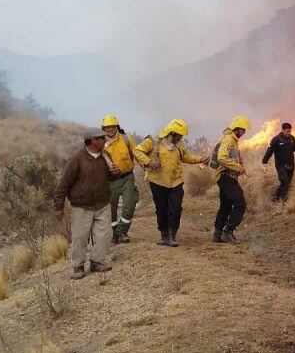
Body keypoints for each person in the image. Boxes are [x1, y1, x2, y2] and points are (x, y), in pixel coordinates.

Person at [53, 128, 117, 280]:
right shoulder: (77, 159)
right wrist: (58, 206)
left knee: (105, 235)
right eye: (102, 138)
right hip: (81, 206)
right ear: (93, 141)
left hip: (102, 204)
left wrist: (116, 173)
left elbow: (111, 177)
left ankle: (97, 262)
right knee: (80, 237)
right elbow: (64, 184)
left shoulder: (106, 156)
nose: (105, 140)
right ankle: (78, 266)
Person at [132, 119, 207, 247]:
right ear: (171, 133)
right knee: (161, 209)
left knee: (176, 209)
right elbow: (137, 151)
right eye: (178, 135)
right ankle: (164, 235)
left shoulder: (179, 145)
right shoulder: (153, 141)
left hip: (176, 182)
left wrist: (200, 159)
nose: (180, 138)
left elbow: (186, 157)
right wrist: (149, 161)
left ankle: (172, 235)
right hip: (158, 182)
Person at [100, 115, 140, 244]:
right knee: (110, 209)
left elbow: (137, 154)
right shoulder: (100, 144)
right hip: (110, 181)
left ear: (117, 126)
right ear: (103, 129)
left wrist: (148, 166)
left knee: (129, 205)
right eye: (107, 127)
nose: (110, 129)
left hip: (127, 177)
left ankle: (122, 232)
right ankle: (113, 235)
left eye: (112, 126)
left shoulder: (126, 139)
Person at [212, 116, 250, 244]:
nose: (244, 133)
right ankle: (227, 232)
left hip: (227, 177)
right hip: (226, 177)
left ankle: (217, 234)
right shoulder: (229, 140)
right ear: (237, 129)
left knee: (226, 206)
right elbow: (222, 158)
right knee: (240, 203)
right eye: (243, 130)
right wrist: (238, 167)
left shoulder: (233, 141)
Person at [260, 122, 295, 203]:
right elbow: (269, 152)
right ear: (283, 130)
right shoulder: (276, 140)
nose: (289, 133)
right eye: (287, 131)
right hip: (281, 166)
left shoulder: (292, 139)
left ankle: (276, 198)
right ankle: (284, 202)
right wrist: (264, 163)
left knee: (287, 183)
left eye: (290, 131)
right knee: (284, 181)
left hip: (291, 166)